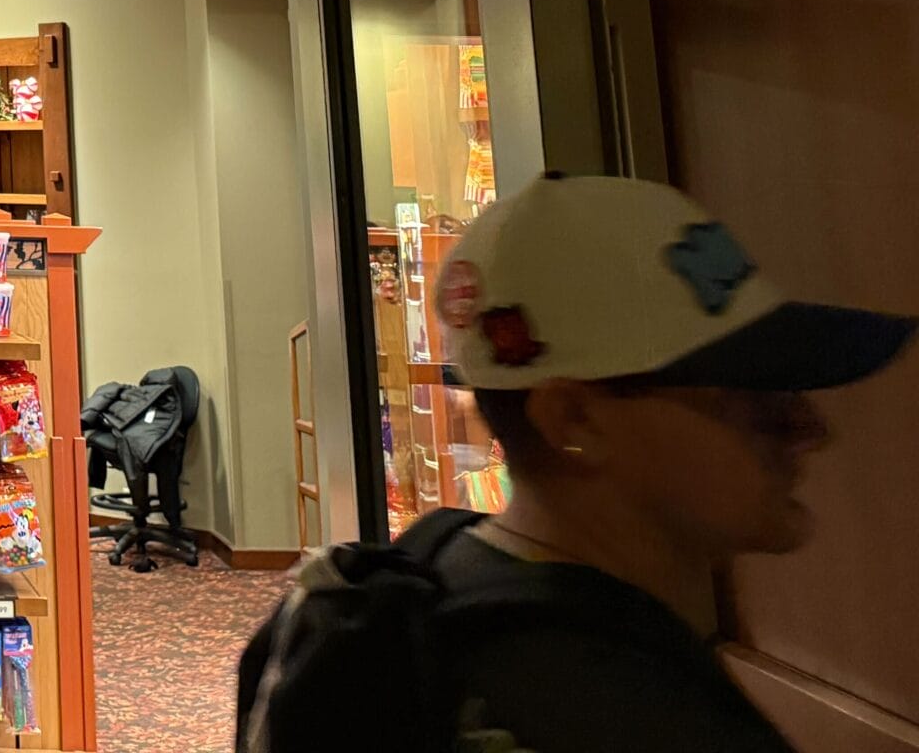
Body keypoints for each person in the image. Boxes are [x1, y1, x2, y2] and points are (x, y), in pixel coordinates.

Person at [238, 173, 915, 753]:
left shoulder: (425, 573)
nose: (809, 428)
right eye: (749, 394)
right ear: (574, 420)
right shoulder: (634, 720)